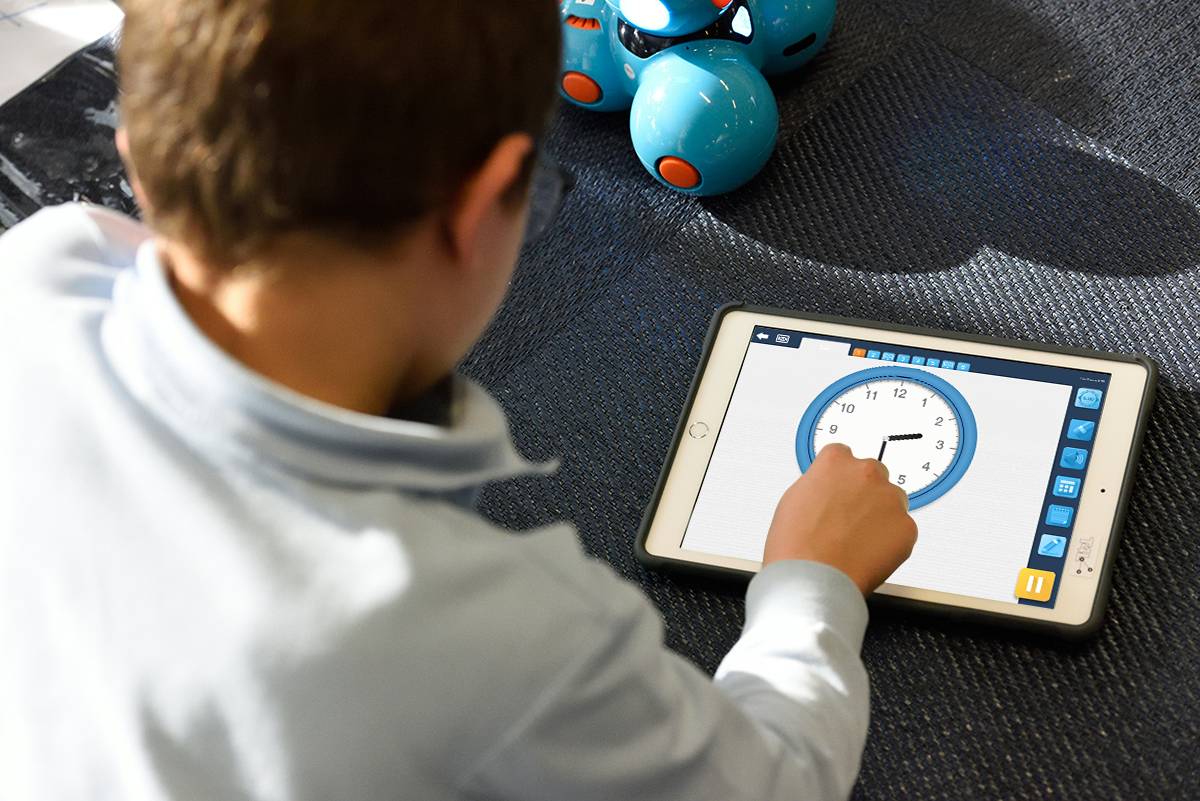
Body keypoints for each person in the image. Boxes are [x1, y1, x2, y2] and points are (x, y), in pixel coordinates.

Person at [0, 0, 917, 797]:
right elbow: (777, 780)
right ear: (482, 209)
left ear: (137, 162)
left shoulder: (40, 269)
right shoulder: (505, 633)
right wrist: (813, 581)